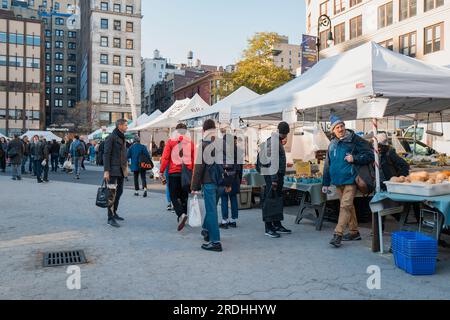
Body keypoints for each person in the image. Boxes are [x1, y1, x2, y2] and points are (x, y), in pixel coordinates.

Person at [322, 116, 374, 248]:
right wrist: (325, 182)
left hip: (351, 179)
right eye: (337, 127)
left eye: (342, 126)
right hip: (337, 181)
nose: (340, 129)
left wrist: (354, 158)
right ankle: (354, 232)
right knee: (348, 206)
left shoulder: (355, 140)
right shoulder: (332, 144)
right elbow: (327, 164)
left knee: (345, 206)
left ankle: (338, 234)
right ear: (333, 130)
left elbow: (370, 155)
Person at [191, 119, 223, 252]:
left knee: (211, 211)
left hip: (209, 181)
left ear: (204, 130)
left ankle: (215, 242)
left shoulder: (204, 144)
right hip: (221, 181)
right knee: (213, 208)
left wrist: (194, 185)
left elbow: (199, 167)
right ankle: (206, 230)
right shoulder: (222, 143)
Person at [258, 122, 292, 238]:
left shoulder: (276, 140)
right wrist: (273, 179)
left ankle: (277, 224)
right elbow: (270, 161)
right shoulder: (273, 142)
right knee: (270, 201)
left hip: (276, 175)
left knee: (277, 200)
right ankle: (268, 227)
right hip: (272, 176)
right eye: (285, 133)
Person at [160, 123, 195, 231]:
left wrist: (161, 171)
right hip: (186, 174)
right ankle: (184, 215)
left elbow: (165, 158)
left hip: (174, 173)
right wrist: (193, 173)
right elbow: (194, 159)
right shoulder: (190, 143)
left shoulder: (170, 142)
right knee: (184, 196)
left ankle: (181, 215)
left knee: (174, 196)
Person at [103, 119, 129, 228]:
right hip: (113, 171)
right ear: (119, 125)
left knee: (119, 192)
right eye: (125, 125)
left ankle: (114, 212)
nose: (127, 127)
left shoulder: (121, 137)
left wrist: (126, 168)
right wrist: (106, 171)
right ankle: (110, 217)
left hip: (121, 170)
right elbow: (106, 154)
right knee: (111, 194)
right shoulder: (111, 137)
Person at [220, 134, 243, 229]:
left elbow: (220, 167)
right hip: (235, 177)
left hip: (226, 177)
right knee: (233, 198)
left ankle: (225, 221)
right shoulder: (238, 151)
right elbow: (240, 168)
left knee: (224, 198)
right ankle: (233, 220)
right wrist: (239, 179)